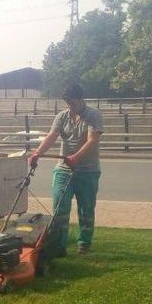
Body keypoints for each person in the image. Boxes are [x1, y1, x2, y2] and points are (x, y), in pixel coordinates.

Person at [28, 83, 103, 255]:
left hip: (88, 171)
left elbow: (93, 140)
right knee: (59, 208)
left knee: (86, 209)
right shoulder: (62, 117)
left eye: (73, 103)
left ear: (81, 99)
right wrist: (37, 153)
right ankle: (59, 245)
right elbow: (51, 136)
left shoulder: (93, 115)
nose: (70, 106)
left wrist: (76, 157)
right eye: (68, 103)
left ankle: (84, 244)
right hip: (63, 169)